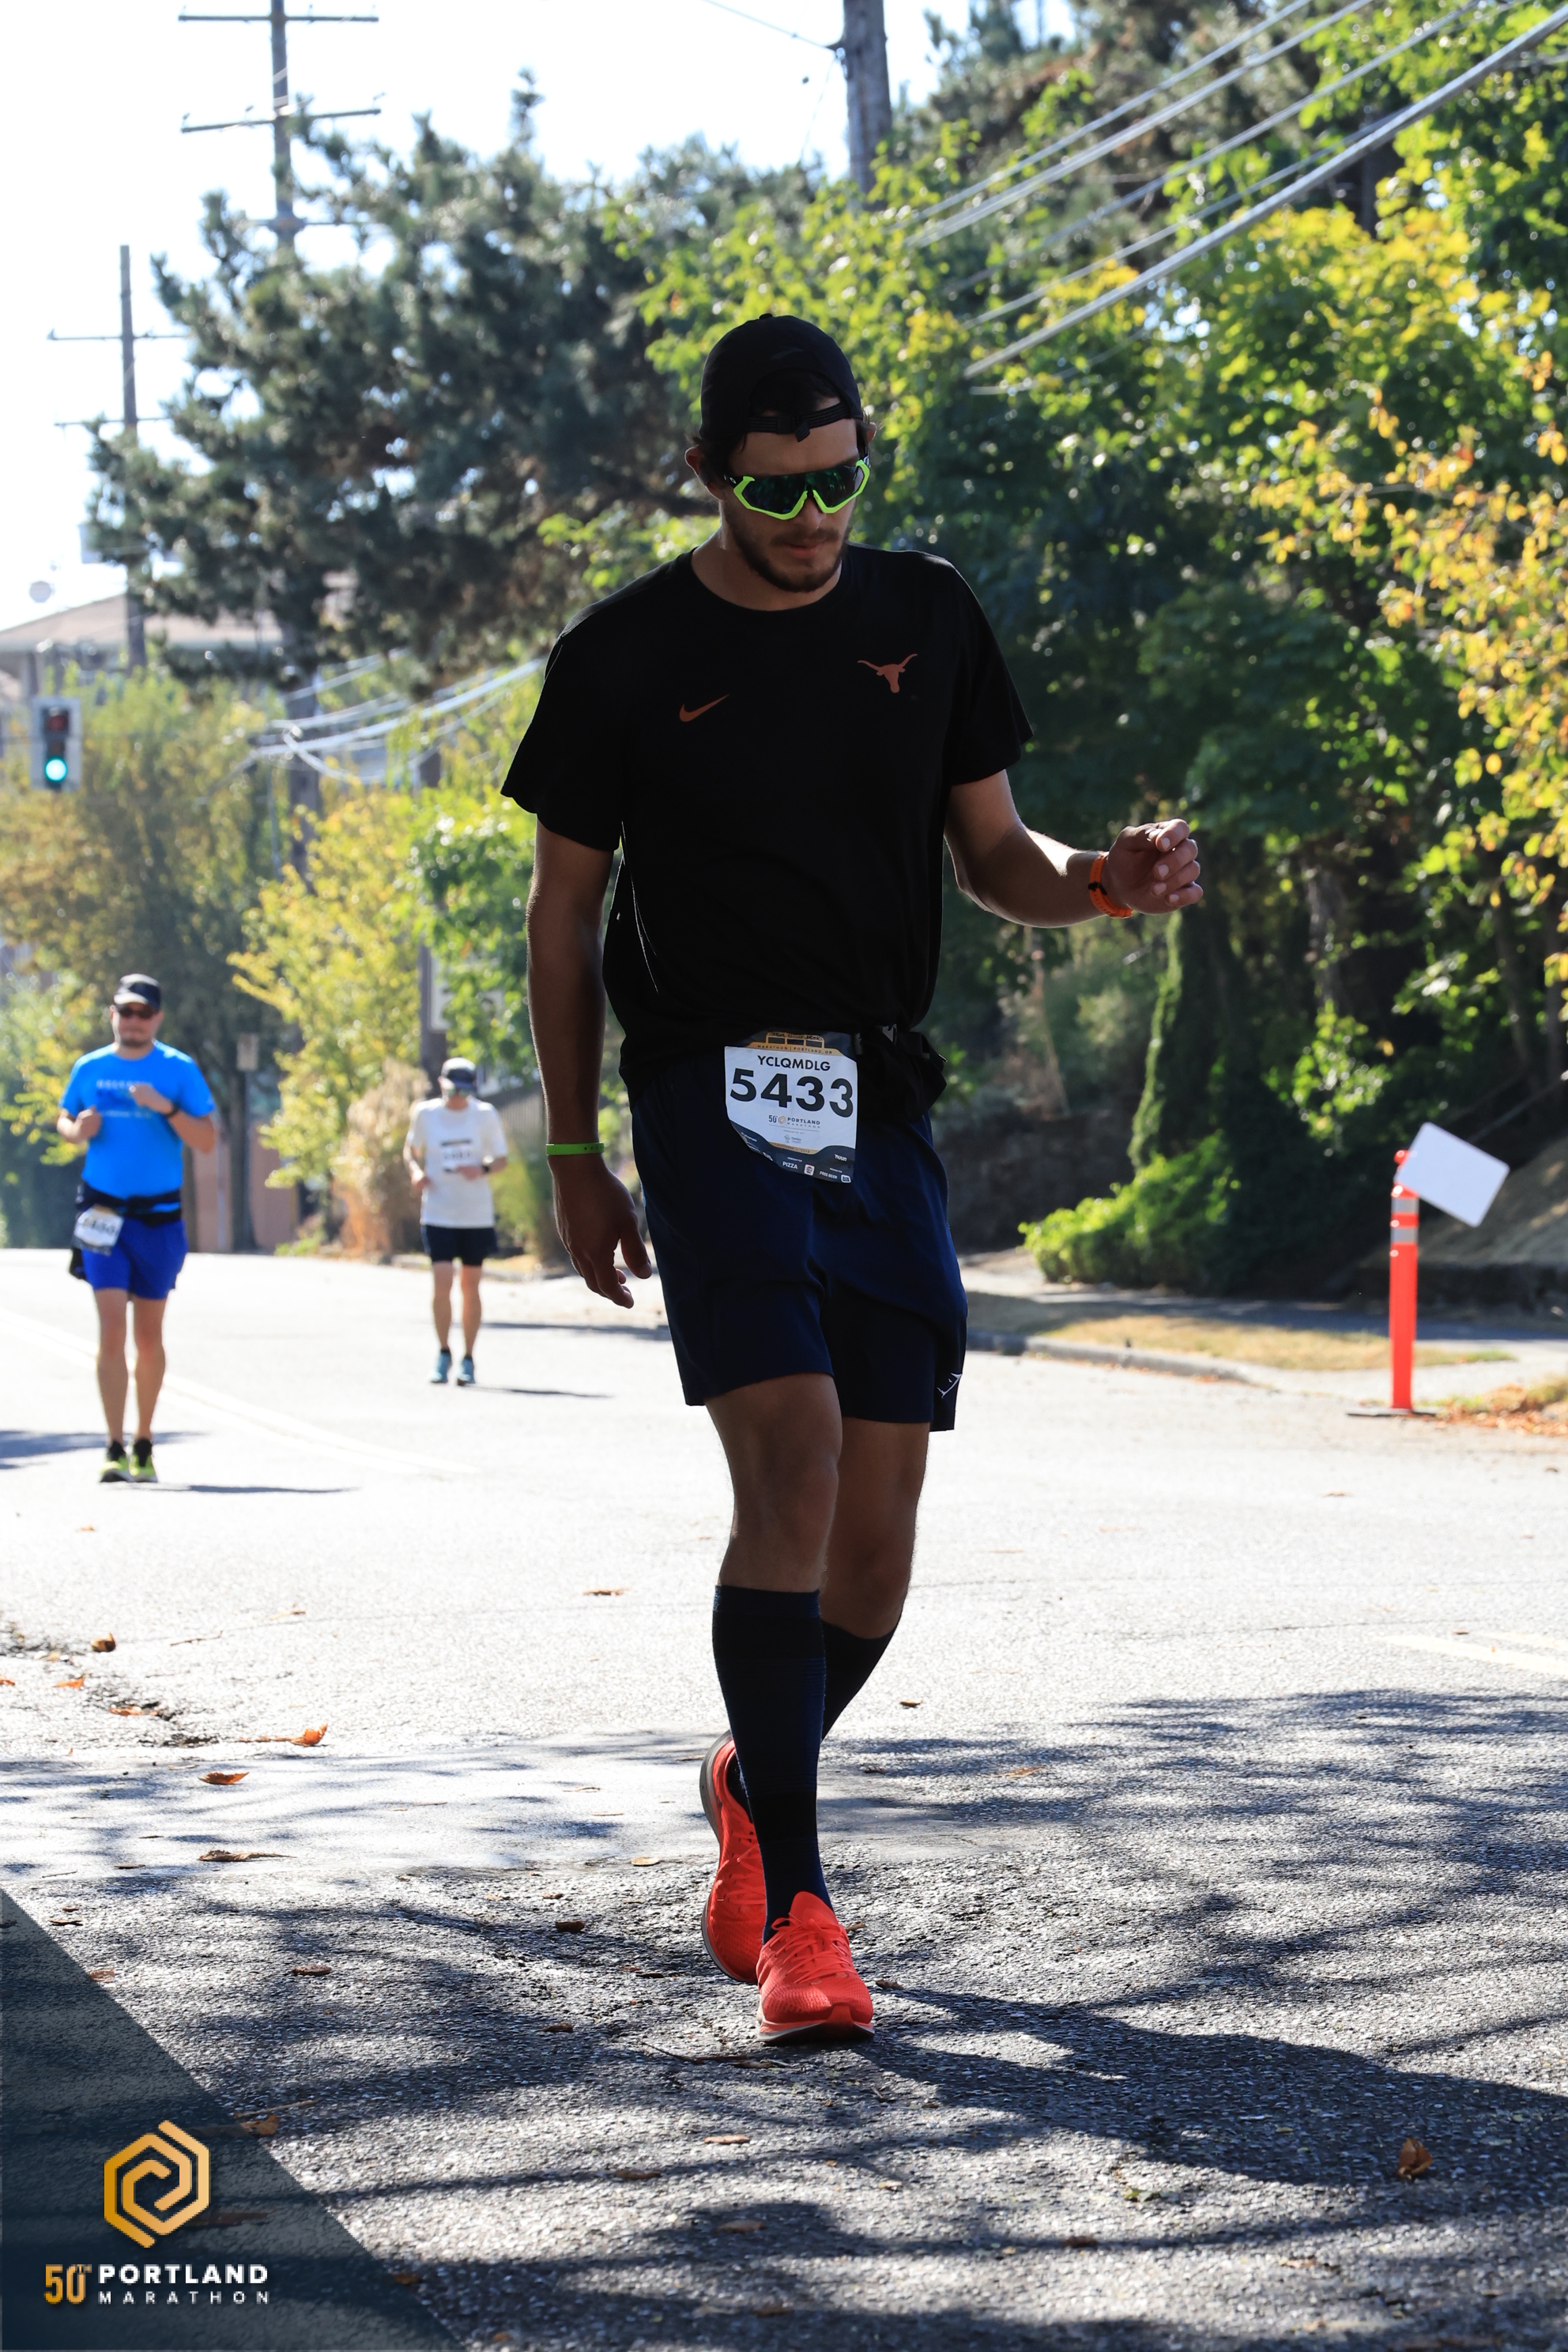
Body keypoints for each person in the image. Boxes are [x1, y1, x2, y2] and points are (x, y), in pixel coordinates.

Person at [507, 314, 1202, 2045]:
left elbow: (996, 853)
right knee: (796, 1455)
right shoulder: (621, 656)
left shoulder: (926, 617)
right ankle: (803, 1917)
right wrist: (575, 1153)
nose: (812, 519)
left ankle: (752, 1782)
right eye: (774, 490)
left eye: (837, 482)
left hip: (875, 1093)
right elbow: (564, 915)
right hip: (703, 1082)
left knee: (875, 1552)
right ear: (706, 475)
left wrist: (1101, 880)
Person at [56, 974, 217, 1485]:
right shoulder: (90, 1067)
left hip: (158, 1218)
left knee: (148, 1337)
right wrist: (76, 1130)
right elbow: (65, 1119)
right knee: (110, 1329)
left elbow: (207, 1140)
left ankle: (144, 1440)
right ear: (113, 1015)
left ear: (157, 1018)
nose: (133, 1021)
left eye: (143, 1013)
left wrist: (165, 1107)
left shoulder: (178, 1069)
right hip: (103, 1213)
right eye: (125, 1012)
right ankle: (113, 1445)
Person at [402, 1056, 509, 1386]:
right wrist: (416, 1172)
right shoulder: (426, 1113)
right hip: (438, 1212)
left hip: (475, 1214)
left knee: (470, 1286)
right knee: (442, 1280)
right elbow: (410, 1150)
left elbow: (501, 1159)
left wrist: (483, 1168)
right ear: (441, 1084)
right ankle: (443, 1351)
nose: (458, 1097)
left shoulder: (485, 1114)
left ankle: (469, 1358)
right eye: (452, 1090)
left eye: (464, 1091)